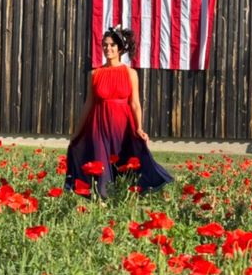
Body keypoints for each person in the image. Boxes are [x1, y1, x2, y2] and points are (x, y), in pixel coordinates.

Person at [65, 26, 173, 197]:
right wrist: (77, 133)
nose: (108, 49)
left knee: (123, 161)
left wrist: (139, 128)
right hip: (98, 125)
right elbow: (88, 104)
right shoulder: (95, 74)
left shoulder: (130, 73)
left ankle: (124, 195)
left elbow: (136, 103)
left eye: (112, 45)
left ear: (120, 49)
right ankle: (102, 199)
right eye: (105, 45)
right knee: (100, 162)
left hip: (122, 125)